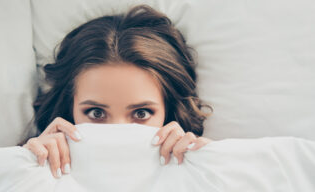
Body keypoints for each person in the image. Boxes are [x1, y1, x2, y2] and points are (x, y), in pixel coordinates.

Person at [22, 4, 213, 179]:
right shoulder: (30, 169)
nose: (117, 132)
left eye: (141, 113)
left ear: (169, 112)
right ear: (69, 108)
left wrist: (207, 168)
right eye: (96, 113)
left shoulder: (199, 171)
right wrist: (25, 168)